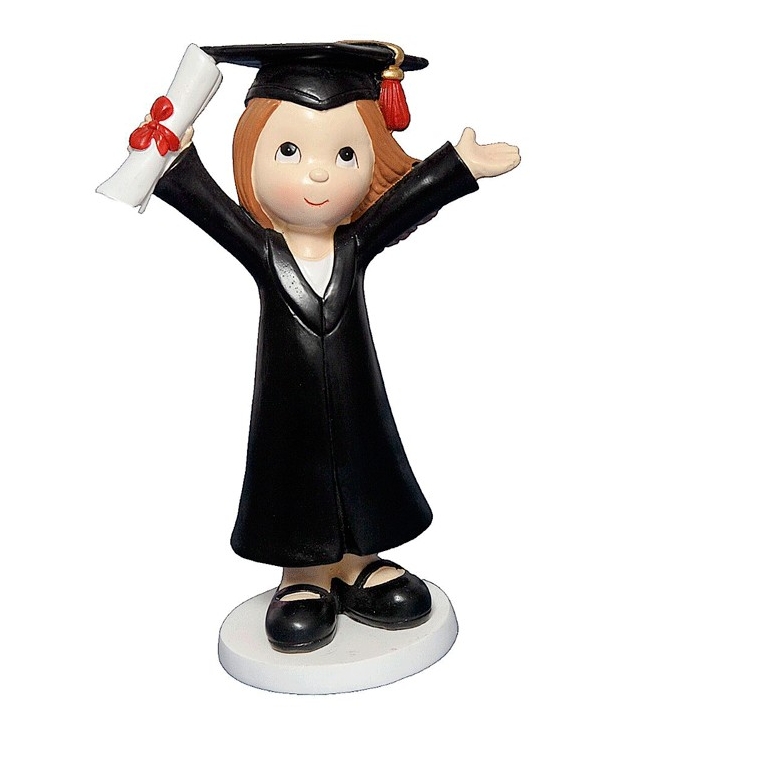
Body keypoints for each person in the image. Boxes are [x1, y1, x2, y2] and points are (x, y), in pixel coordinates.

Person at [152, 42, 520, 652]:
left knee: (362, 461)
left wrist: (458, 165)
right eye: (289, 151)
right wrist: (173, 159)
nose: (319, 174)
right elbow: (210, 208)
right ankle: (302, 574)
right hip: (287, 399)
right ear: (248, 154)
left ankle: (357, 561)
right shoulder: (265, 253)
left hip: (354, 392)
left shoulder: (354, 246)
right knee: (291, 471)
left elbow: (402, 205)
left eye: (346, 153)